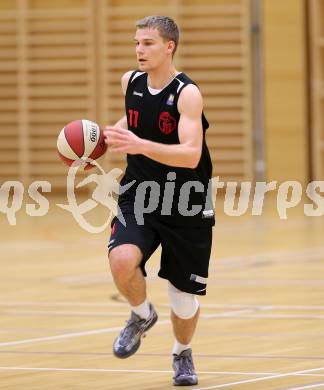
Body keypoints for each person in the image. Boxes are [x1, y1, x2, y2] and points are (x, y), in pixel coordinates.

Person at [104, 15, 215, 386]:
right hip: (140, 193)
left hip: (186, 200)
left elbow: (190, 154)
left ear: (169, 46)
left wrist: (138, 145)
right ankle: (140, 314)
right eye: (137, 42)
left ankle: (182, 353)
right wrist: (100, 145)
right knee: (121, 260)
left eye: (148, 43)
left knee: (183, 299)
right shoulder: (130, 82)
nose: (139, 50)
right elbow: (132, 120)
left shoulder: (187, 94)